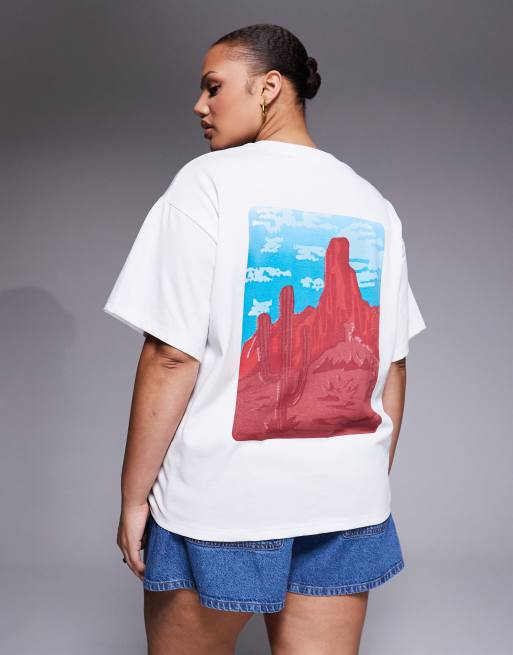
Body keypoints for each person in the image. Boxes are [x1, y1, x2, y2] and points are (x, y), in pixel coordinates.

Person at [103, 23, 427, 655]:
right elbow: (392, 365)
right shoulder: (373, 204)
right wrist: (357, 478)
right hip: (345, 506)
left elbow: (170, 356)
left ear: (270, 87)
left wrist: (133, 499)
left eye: (213, 87)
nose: (199, 105)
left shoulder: (206, 184)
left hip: (220, 505)